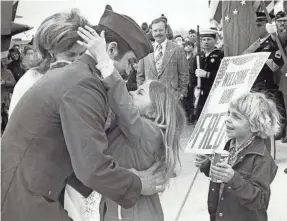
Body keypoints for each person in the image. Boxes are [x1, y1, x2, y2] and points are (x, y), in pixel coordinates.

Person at [1, 7, 165, 221]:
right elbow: (92, 168)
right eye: (130, 62)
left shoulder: (76, 75)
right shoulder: (85, 84)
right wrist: (139, 184)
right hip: (24, 197)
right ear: (112, 50)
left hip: (26, 189)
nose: (129, 71)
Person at [70, 25, 186, 221]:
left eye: (140, 92)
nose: (131, 91)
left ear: (153, 111)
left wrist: (104, 60)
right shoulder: (139, 128)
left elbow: (122, 104)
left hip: (134, 213)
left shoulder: (150, 131)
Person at [195, 92, 279, 221]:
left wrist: (233, 178)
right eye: (228, 113)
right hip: (221, 213)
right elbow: (220, 175)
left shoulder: (261, 158)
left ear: (255, 125)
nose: (227, 119)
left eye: (236, 116)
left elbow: (260, 201)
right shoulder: (229, 145)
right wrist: (206, 165)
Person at [137, 17, 189, 98]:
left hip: (171, 96)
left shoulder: (177, 49)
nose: (158, 33)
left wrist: (181, 94)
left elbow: (184, 74)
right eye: (155, 31)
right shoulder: (145, 50)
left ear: (166, 30)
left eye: (160, 30)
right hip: (150, 97)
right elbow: (140, 75)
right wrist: (141, 92)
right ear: (151, 31)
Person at [190, 29, 224, 120]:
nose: (206, 42)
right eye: (204, 40)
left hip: (215, 91)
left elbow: (223, 74)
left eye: (209, 39)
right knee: (200, 118)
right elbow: (193, 74)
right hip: (201, 92)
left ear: (215, 40)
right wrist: (195, 88)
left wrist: (207, 74)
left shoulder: (220, 55)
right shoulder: (198, 56)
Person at [1, 61, 16, 133]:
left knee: (9, 118)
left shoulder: (7, 72)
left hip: (6, 99)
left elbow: (13, 82)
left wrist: (5, 82)